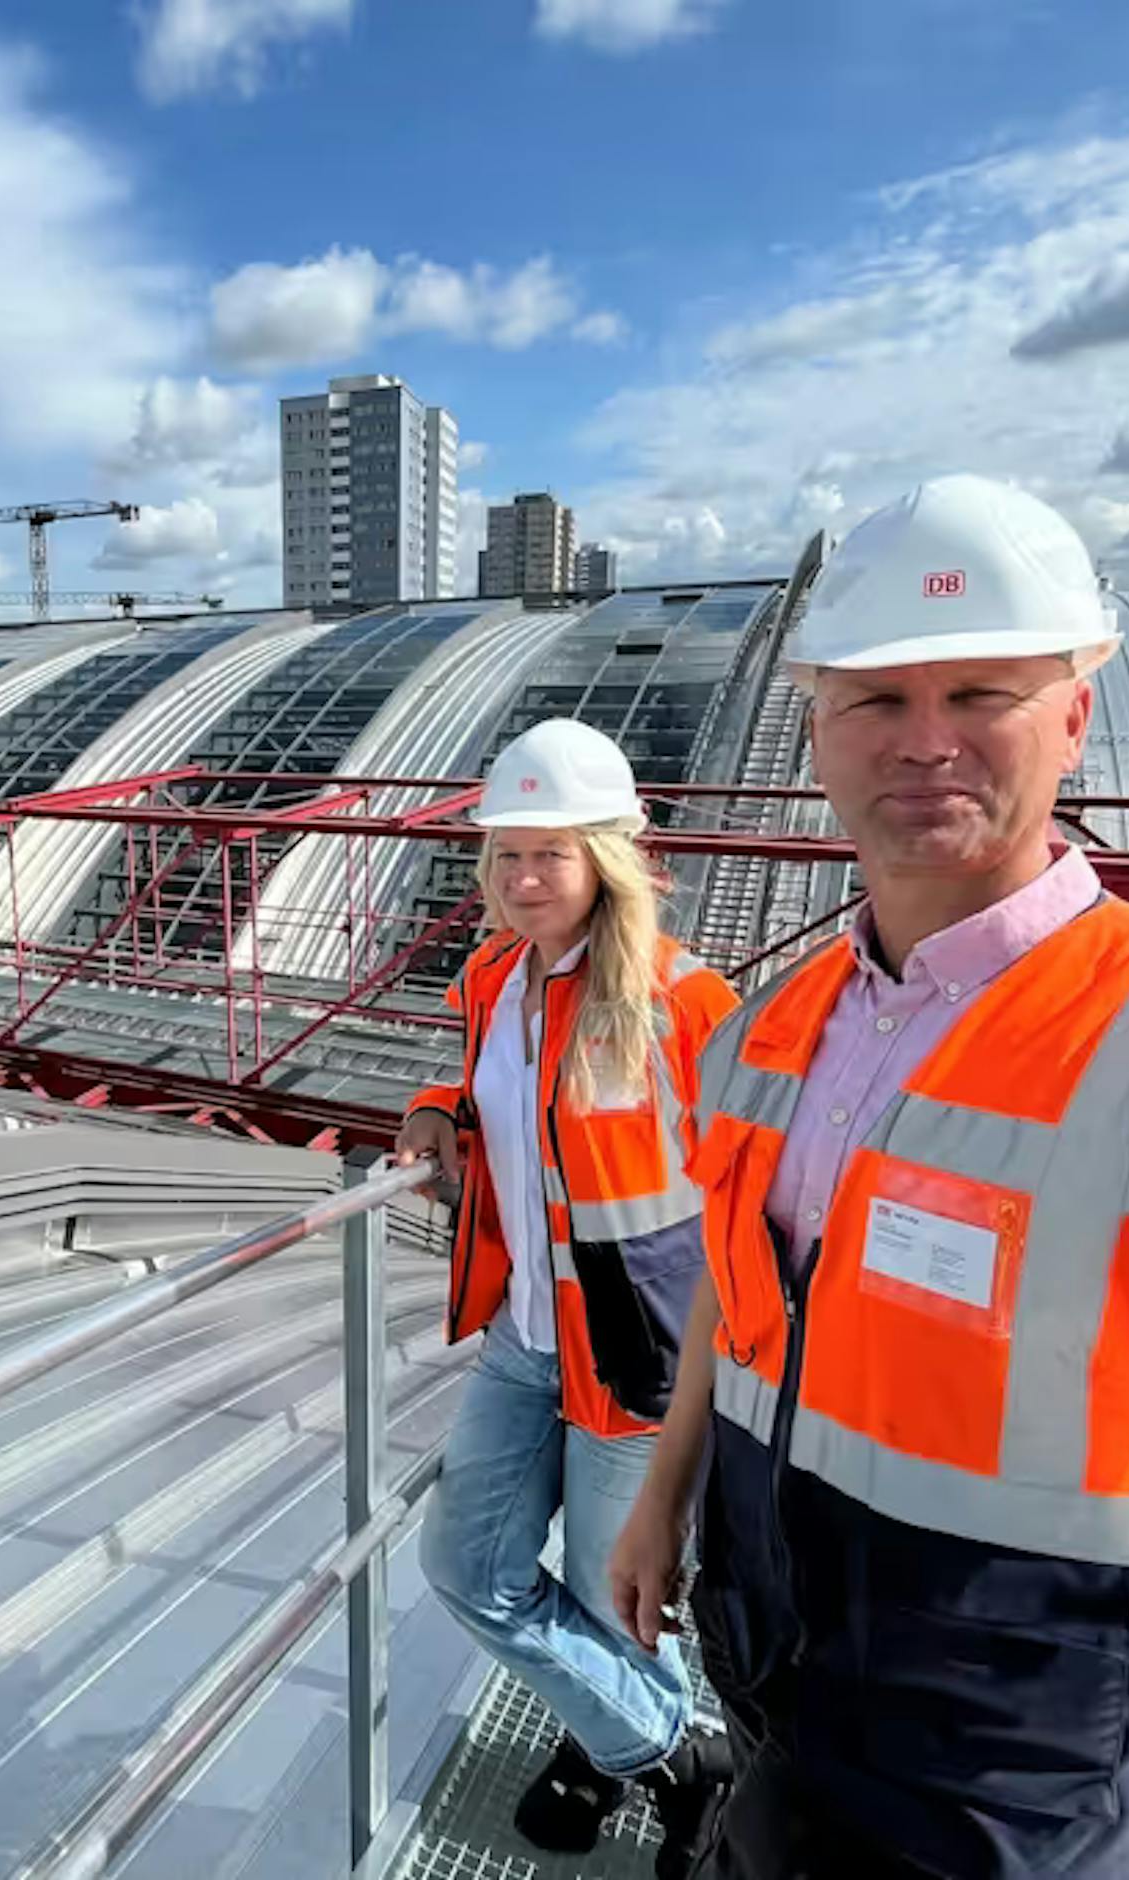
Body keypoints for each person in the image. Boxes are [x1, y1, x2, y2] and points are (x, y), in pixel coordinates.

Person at [608, 473, 1129, 1877]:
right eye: (878, 702)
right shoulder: (770, 1031)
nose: (926, 745)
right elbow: (739, 1320)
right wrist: (663, 1498)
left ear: (1075, 718)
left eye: (982, 695)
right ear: (818, 732)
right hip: (774, 1655)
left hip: (1015, 1745)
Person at [396, 717, 738, 1873]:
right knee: (465, 1566)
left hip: (633, 1356)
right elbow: (490, 1079)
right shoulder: (490, 975)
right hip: (519, 1342)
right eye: (502, 854)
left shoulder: (681, 1003)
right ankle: (678, 1752)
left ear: (607, 855)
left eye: (549, 852)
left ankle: (610, 1750)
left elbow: (752, 1182)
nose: (520, 877)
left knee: (616, 1593)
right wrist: (435, 1101)